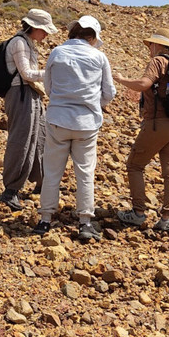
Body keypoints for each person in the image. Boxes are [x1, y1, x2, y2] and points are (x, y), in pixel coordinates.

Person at [33, 16, 116, 240]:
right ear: (93, 37)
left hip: (58, 119)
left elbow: (48, 86)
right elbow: (109, 92)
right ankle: (85, 221)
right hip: (86, 123)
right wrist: (92, 104)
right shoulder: (99, 57)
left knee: (52, 171)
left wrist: (62, 101)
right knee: (85, 172)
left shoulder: (57, 53)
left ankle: (45, 219)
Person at [112, 28, 169, 234]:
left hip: (158, 123)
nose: (149, 48)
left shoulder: (159, 61)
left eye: (150, 45)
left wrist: (121, 80)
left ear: (157, 45)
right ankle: (167, 218)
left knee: (135, 165)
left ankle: (138, 214)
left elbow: (144, 84)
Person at [0, 9, 57, 211]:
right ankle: (11, 190)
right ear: (35, 27)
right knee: (21, 140)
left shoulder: (27, 43)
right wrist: (51, 73)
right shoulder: (19, 43)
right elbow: (27, 73)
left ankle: (41, 182)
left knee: (38, 137)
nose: (46, 35)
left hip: (30, 95)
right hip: (21, 94)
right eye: (45, 31)